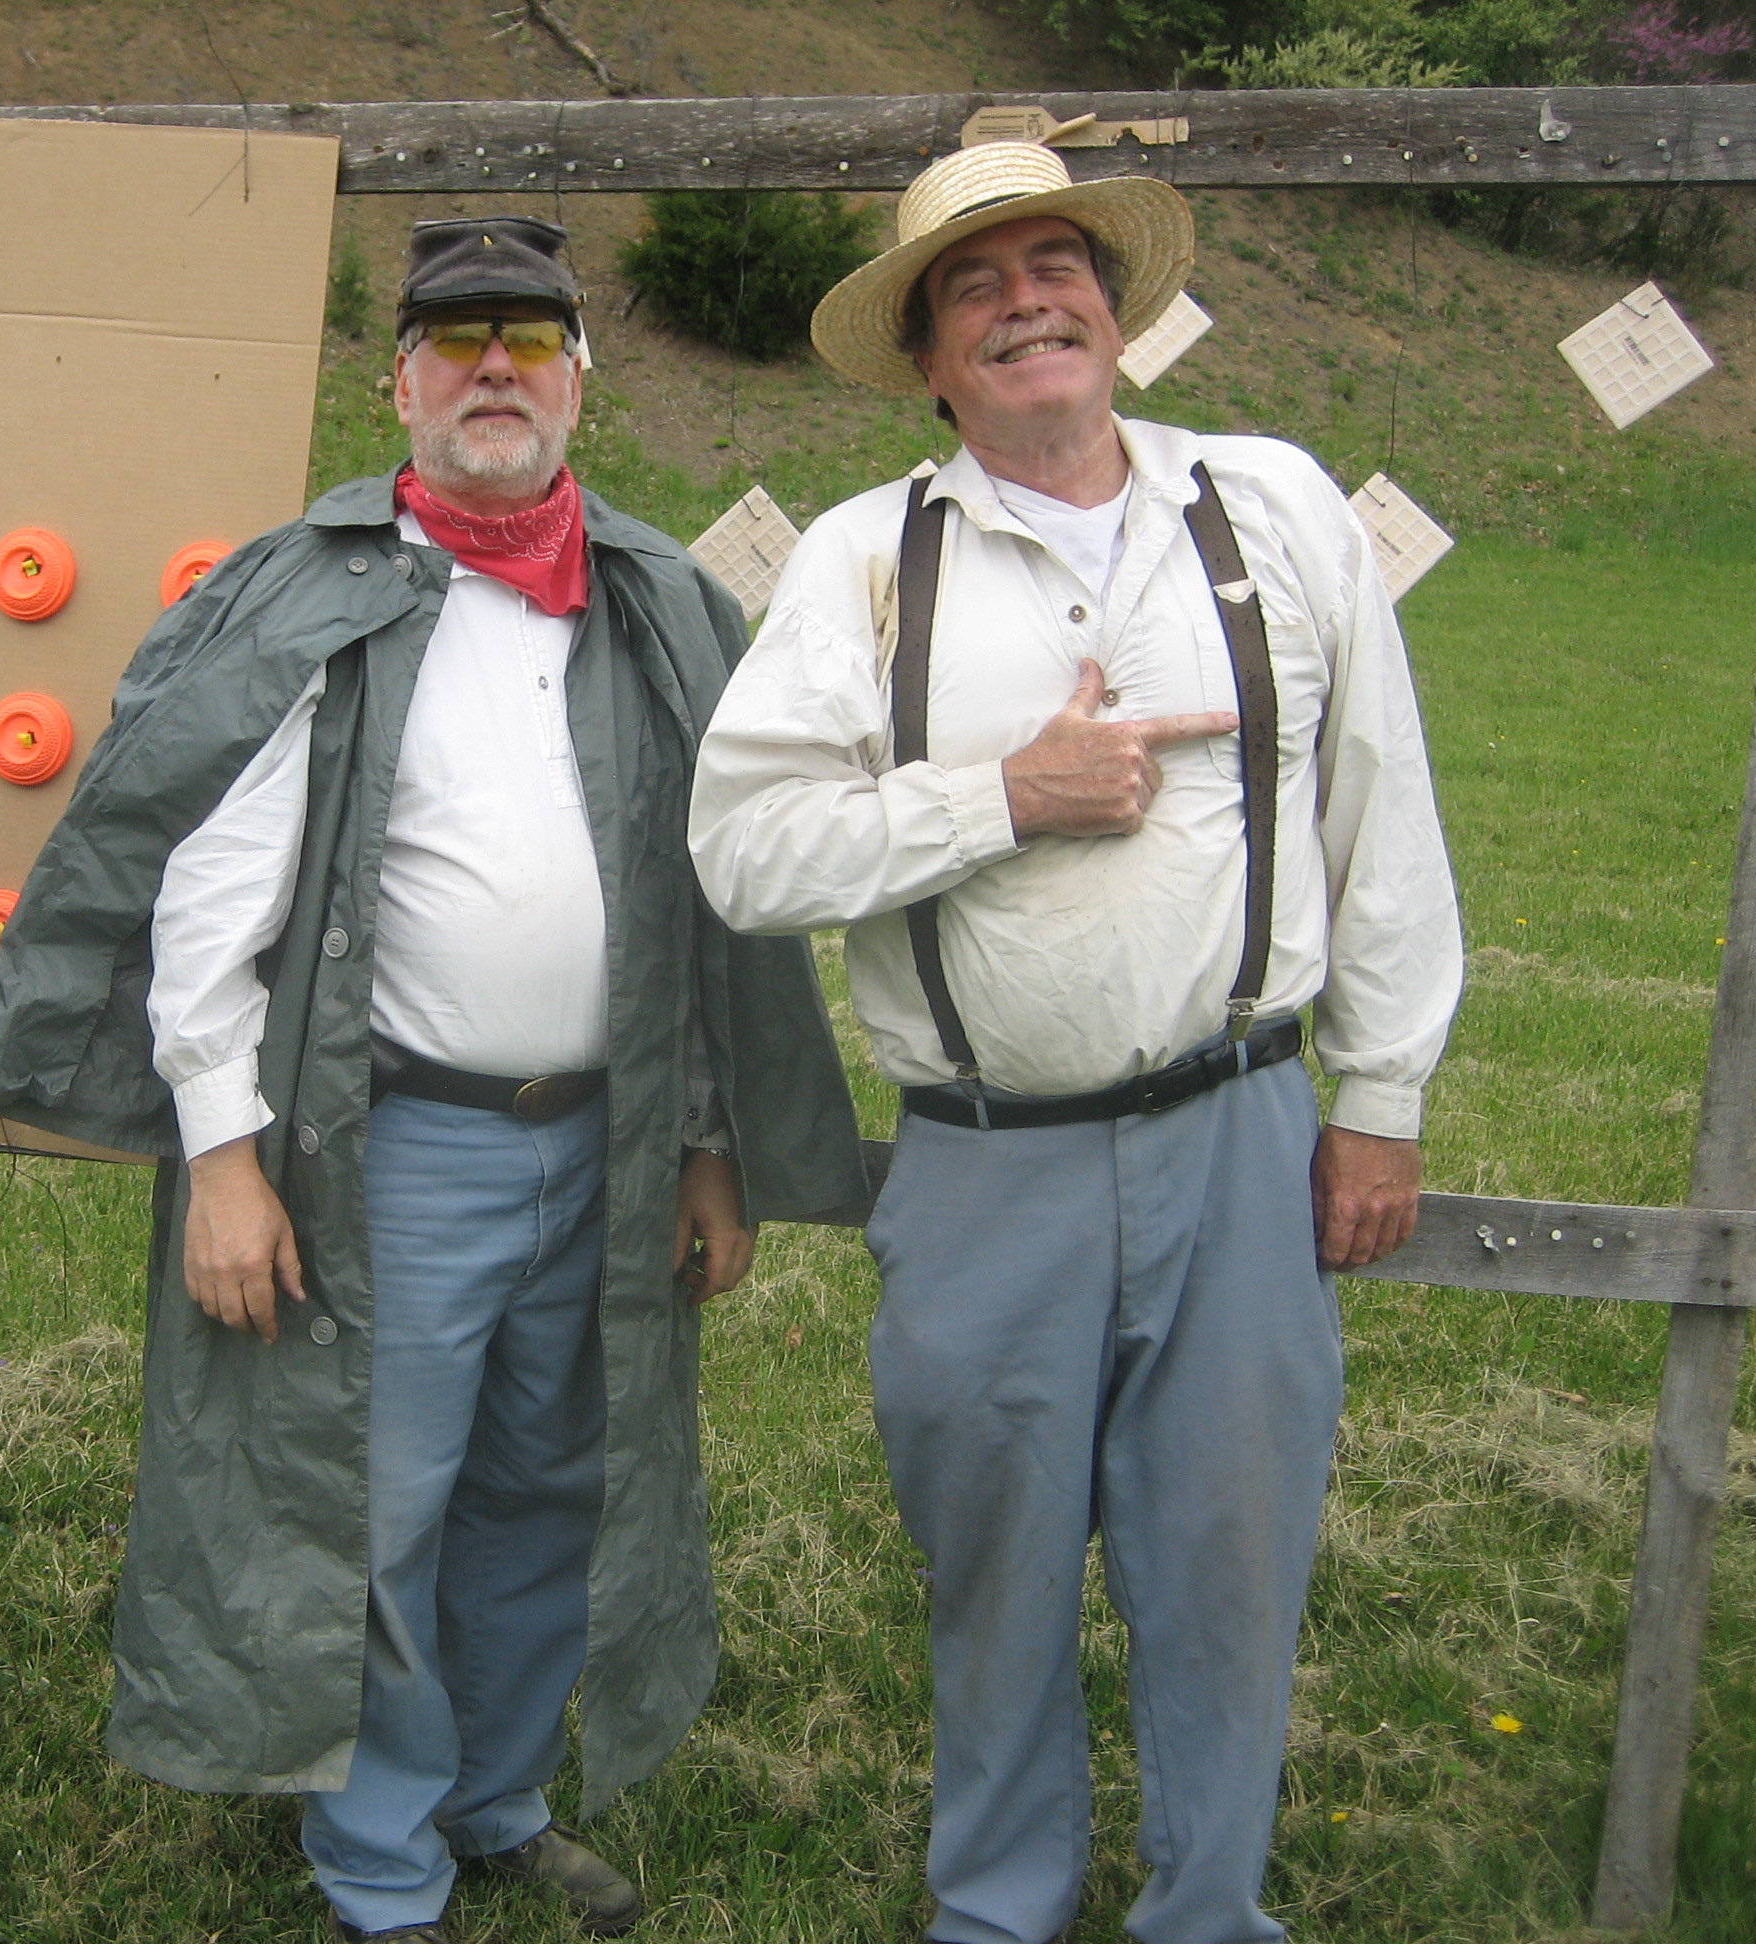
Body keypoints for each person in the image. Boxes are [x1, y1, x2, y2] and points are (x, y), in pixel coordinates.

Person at [0, 215, 864, 1943]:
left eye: (529, 341)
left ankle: (494, 1796)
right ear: (399, 385)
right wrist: (224, 1156)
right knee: (373, 1504)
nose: (494, 371)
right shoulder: (311, 594)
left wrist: (704, 1141)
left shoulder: (657, 600)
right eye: (456, 342)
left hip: (604, 1144)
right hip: (394, 1147)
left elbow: (696, 905)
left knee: (552, 1484)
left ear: (581, 380)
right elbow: (207, 892)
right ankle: (383, 1863)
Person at [689, 143, 1465, 1944]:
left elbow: (1381, 805)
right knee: (995, 1571)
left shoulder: (1272, 507)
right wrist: (1002, 798)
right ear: (930, 358)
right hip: (987, 1165)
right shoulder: (863, 559)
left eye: (1059, 267)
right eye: (976, 284)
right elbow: (744, 851)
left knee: (1232, 1562)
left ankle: (1211, 1911)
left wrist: (1382, 1094)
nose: (1028, 301)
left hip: (1244, 1137)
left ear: (1117, 314)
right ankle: (998, 1908)